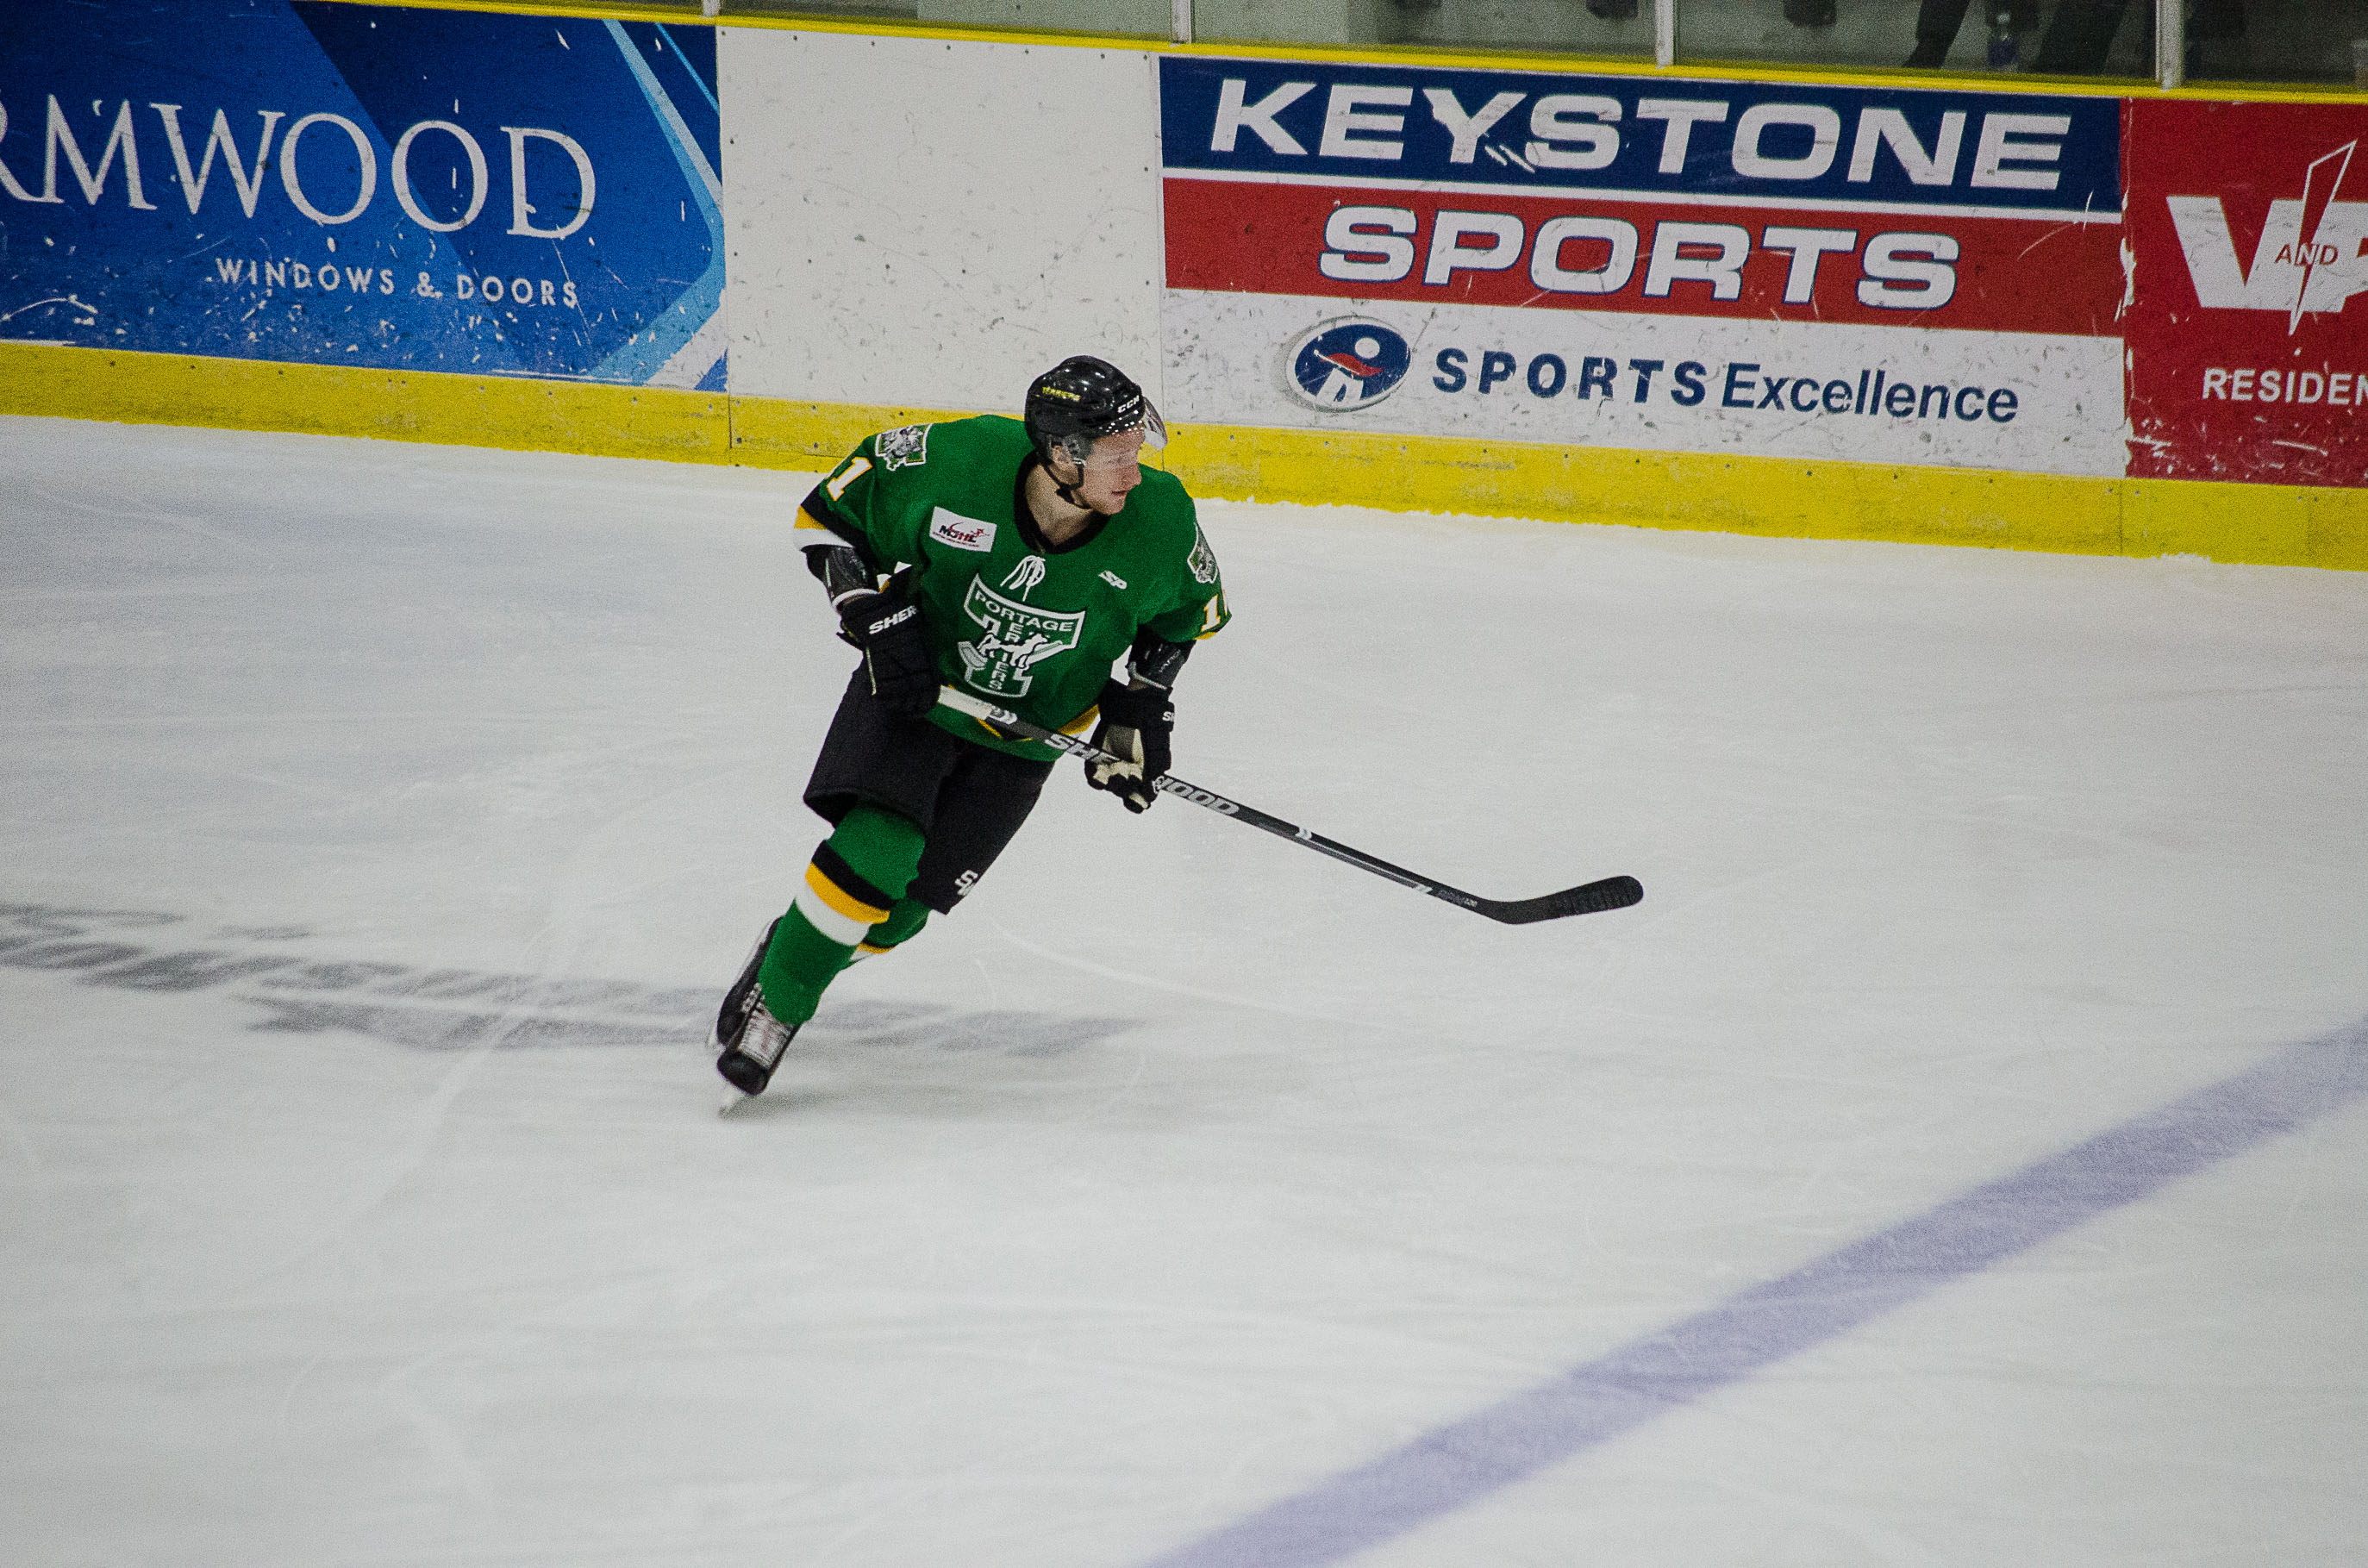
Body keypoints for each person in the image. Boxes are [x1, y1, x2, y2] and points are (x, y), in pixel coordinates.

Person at [711, 356, 1230, 1099]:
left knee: (899, 917)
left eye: (1136, 452)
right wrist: (866, 612)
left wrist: (1144, 704)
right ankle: (779, 1008)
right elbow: (827, 519)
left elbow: (1186, 617)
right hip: (919, 693)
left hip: (1027, 735)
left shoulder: (1162, 519)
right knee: (879, 852)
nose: (1134, 473)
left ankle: (790, 947)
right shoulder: (958, 461)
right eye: (1117, 456)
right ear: (1062, 455)